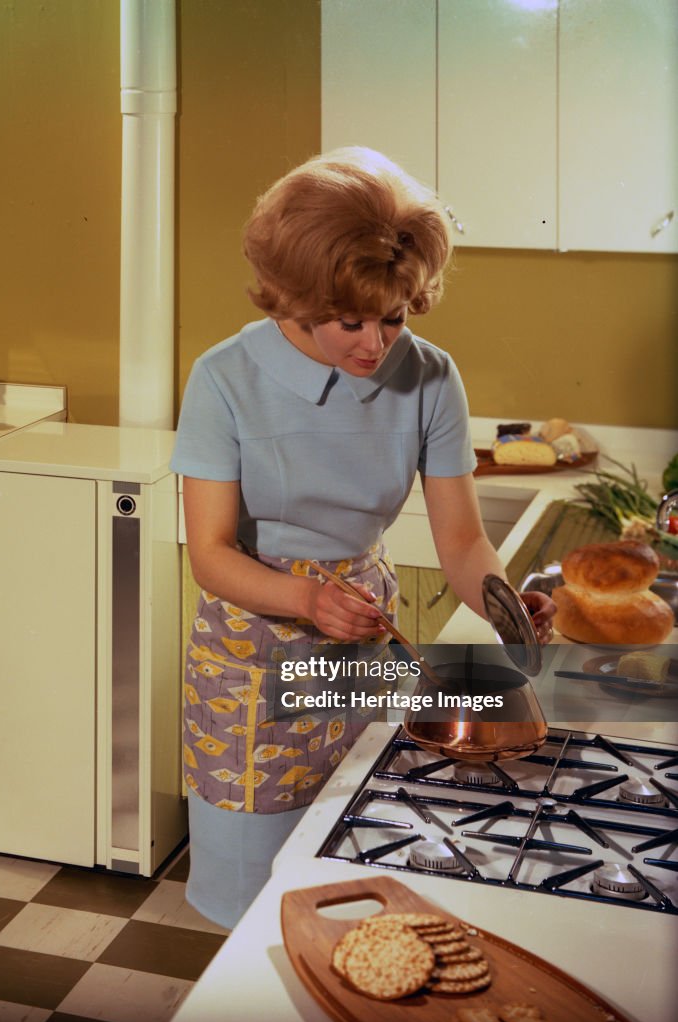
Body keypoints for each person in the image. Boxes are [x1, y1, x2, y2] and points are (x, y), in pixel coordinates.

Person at [169, 147, 556, 928]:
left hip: (362, 654)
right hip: (255, 657)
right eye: (352, 320)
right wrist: (307, 597)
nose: (376, 344)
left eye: (396, 316)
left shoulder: (431, 376)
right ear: (294, 294)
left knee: (357, 882)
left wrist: (509, 609)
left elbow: (462, 545)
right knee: (254, 906)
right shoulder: (223, 379)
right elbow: (209, 554)